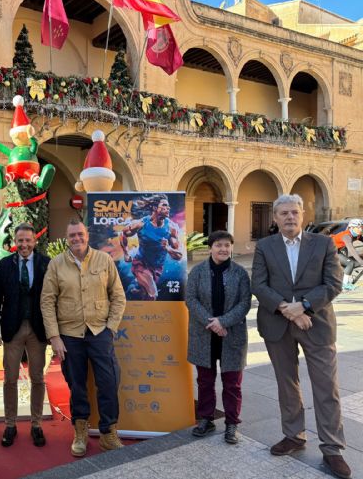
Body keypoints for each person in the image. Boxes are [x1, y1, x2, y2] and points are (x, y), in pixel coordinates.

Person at [252, 194, 351, 479]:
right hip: (277, 324)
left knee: (326, 387)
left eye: (294, 212)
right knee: (287, 383)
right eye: (283, 213)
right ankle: (294, 435)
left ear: (303, 215)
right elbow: (258, 284)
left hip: (316, 324)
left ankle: (332, 448)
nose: (289, 217)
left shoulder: (323, 244)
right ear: (275, 218)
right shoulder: (265, 246)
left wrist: (304, 305)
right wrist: (289, 309)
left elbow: (333, 284)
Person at [41, 218, 126, 457]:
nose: (76, 239)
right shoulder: (56, 265)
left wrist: (111, 328)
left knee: (108, 382)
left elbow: (118, 296)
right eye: (72, 236)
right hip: (69, 335)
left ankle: (109, 433)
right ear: (66, 239)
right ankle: (80, 432)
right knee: (76, 385)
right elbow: (47, 301)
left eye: (80, 234)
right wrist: (54, 336)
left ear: (87, 235)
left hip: (100, 332)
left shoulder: (104, 260)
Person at [185, 230, 251, 444]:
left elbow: (245, 303)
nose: (223, 249)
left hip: (231, 334)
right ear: (211, 248)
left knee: (232, 383)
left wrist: (223, 322)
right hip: (204, 334)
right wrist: (212, 323)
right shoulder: (197, 272)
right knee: (205, 380)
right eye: (218, 245)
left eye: (227, 245)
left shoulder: (240, 273)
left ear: (231, 248)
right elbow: (191, 300)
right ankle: (206, 418)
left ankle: (231, 423)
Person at [0, 223, 50, 447]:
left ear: (35, 241)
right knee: (10, 379)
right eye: (20, 241)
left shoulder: (46, 264)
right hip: (12, 329)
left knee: (38, 378)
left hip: (38, 329)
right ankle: (10, 424)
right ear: (15, 242)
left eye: (28, 240)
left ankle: (36, 425)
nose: (24, 244)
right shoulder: (5, 265)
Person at [119, 193, 182, 300]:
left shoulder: (171, 228)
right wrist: (126, 253)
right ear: (154, 208)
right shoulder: (141, 224)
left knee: (145, 294)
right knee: (153, 294)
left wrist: (168, 248)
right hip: (141, 264)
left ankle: (134, 294)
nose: (168, 208)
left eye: (168, 206)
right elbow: (123, 234)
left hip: (157, 268)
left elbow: (179, 255)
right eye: (164, 206)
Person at [331, 218, 363, 290]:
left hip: (337, 250)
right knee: (350, 263)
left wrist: (360, 261)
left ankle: (342, 278)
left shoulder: (357, 235)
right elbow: (352, 250)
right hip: (328, 251)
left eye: (361, 227)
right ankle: (345, 285)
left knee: (354, 263)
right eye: (358, 227)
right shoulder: (346, 236)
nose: (360, 229)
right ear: (351, 227)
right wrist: (361, 261)